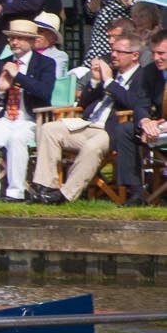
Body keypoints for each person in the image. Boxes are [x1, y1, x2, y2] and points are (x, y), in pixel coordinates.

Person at [28, 25, 155, 203]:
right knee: (49, 129)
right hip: (88, 124)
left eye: (120, 52)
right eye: (113, 50)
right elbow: (83, 104)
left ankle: (65, 195)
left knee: (91, 147)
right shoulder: (109, 73)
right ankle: (46, 186)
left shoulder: (142, 77)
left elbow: (135, 103)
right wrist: (95, 81)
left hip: (111, 131)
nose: (113, 55)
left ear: (135, 56)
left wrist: (109, 81)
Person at [0, 17, 59, 201]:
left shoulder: (46, 63)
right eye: (12, 38)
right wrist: (0, 90)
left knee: (17, 138)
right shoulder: (3, 62)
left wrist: (18, 76)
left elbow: (44, 93)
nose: (14, 42)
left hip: (31, 120)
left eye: (19, 38)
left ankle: (16, 192)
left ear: (32, 41)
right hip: (6, 118)